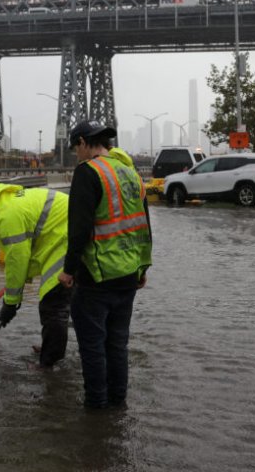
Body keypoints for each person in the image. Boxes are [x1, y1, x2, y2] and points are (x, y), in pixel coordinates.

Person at [60, 120, 152, 409]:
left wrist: (68, 270)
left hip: (96, 277)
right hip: (128, 274)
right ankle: (118, 404)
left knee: (92, 347)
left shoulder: (88, 173)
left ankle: (96, 411)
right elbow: (143, 226)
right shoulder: (130, 173)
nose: (77, 154)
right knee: (117, 344)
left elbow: (79, 229)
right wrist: (142, 268)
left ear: (85, 142)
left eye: (77, 147)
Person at [0, 176, 71, 369]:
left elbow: (17, 260)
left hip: (67, 239)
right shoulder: (6, 202)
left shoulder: (8, 214)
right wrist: (14, 292)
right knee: (63, 304)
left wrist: (10, 303)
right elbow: (23, 255)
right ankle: (54, 348)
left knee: (52, 304)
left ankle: (48, 363)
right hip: (61, 236)